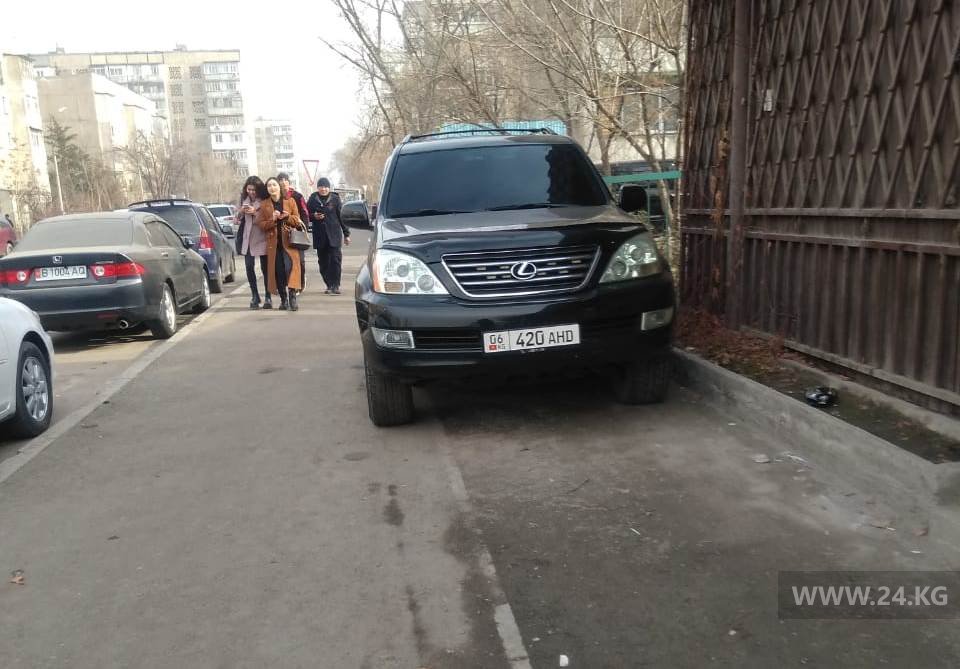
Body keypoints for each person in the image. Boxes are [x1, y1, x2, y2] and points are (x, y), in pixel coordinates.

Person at [256, 177, 305, 311]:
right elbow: (261, 225)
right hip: (274, 244)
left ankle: (292, 297)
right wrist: (272, 220)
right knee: (279, 272)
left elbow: (297, 221)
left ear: (279, 187)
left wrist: (287, 217)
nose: (272, 188)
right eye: (269, 186)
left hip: (289, 242)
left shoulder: (290, 201)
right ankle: (284, 300)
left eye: (274, 185)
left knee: (291, 268)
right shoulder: (264, 204)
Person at [307, 177, 351, 294]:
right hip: (320, 236)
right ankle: (329, 284)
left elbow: (341, 217)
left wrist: (346, 234)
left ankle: (335, 285)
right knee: (323, 262)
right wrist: (314, 216)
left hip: (334, 235)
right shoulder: (312, 199)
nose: (323, 189)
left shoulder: (335, 199)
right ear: (318, 188)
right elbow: (306, 215)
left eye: (326, 187)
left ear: (329, 188)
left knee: (335, 260)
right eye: (321, 187)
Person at [236, 176, 271, 309]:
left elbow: (268, 218)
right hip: (248, 238)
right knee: (249, 266)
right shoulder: (243, 199)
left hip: (261, 236)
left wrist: (255, 213)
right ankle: (255, 295)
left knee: (265, 268)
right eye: (249, 189)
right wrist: (241, 212)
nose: (251, 192)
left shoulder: (264, 200)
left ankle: (268, 296)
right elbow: (237, 219)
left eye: (254, 190)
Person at [278, 172, 309, 287]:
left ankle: (300, 282)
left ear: (289, 183)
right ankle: (292, 285)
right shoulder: (276, 198)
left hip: (297, 231)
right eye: (280, 181)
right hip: (284, 234)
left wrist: (304, 231)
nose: (283, 184)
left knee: (300, 261)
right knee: (287, 263)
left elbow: (305, 213)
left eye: (285, 181)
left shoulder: (297, 196)